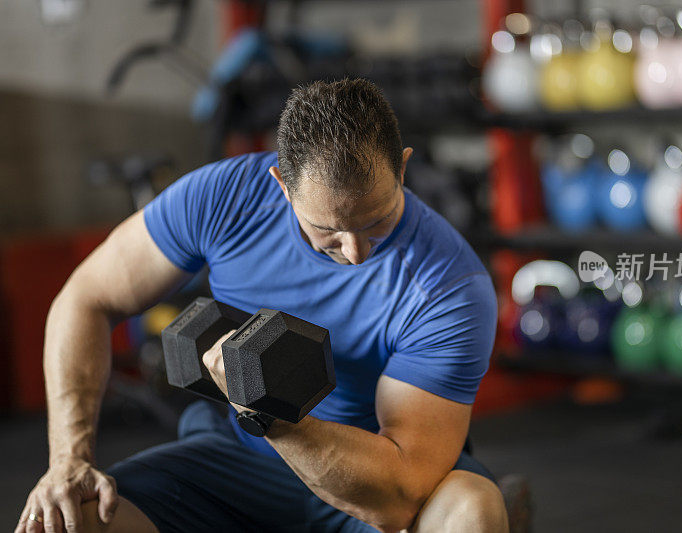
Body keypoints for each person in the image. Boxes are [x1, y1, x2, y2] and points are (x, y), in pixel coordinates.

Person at [16, 79, 506, 533]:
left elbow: (398, 496)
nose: (355, 252)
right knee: (60, 521)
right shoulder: (225, 197)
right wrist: (68, 460)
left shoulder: (451, 285)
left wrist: (265, 410)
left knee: (473, 511)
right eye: (329, 231)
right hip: (235, 463)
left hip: (369, 483)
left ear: (401, 167)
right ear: (281, 185)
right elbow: (85, 299)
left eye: (375, 220)